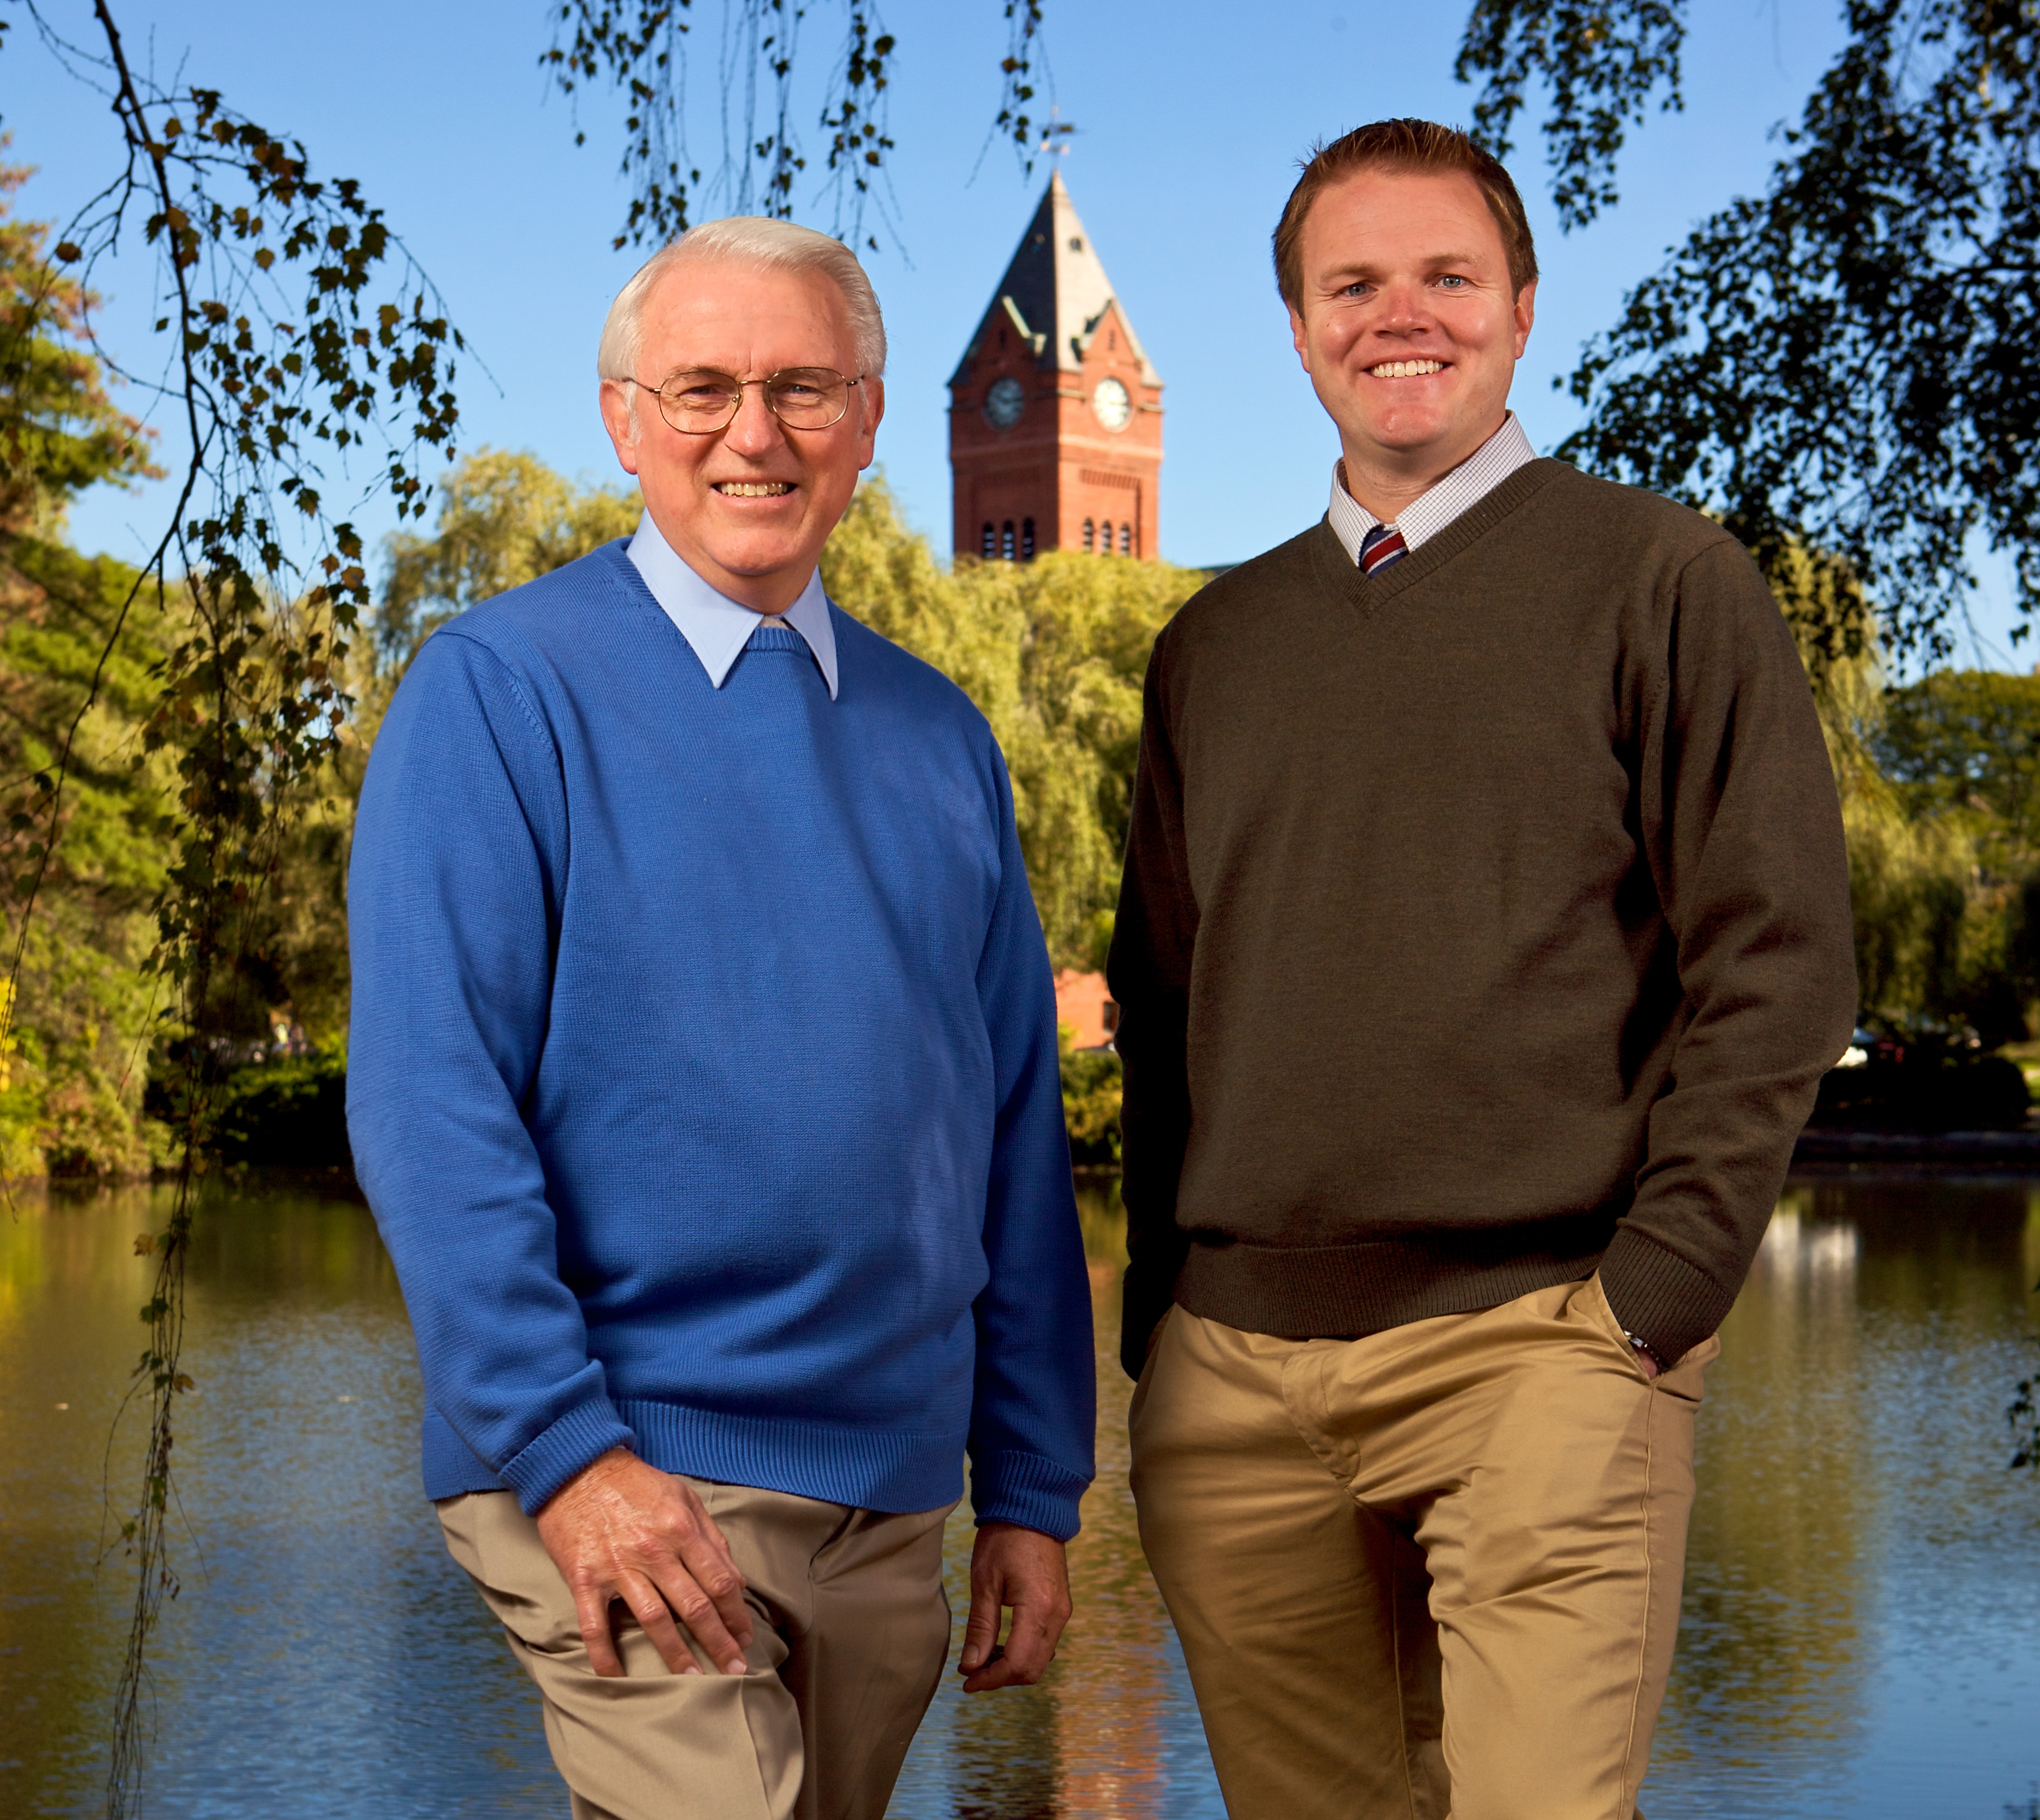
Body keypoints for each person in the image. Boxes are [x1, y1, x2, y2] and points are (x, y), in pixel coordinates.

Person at [1108, 118, 1856, 1820]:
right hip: (1233, 1387)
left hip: (1538, 1353)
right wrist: (1161, 1317)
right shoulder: (1209, 648)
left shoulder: (1662, 581)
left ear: (1519, 307)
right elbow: (1159, 1001)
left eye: (1444, 276)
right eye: (1349, 283)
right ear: (1297, 327)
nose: (1399, 316)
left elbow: (1778, 959)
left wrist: (1643, 1310)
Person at [346, 216, 1095, 1820]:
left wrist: (1030, 1481)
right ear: (623, 419)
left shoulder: (940, 734)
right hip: (627, 1460)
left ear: (870, 418)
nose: (751, 433)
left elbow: (1010, 1130)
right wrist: (566, 1451)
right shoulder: (499, 692)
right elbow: (431, 1103)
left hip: (888, 1497)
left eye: (801, 387)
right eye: (699, 388)